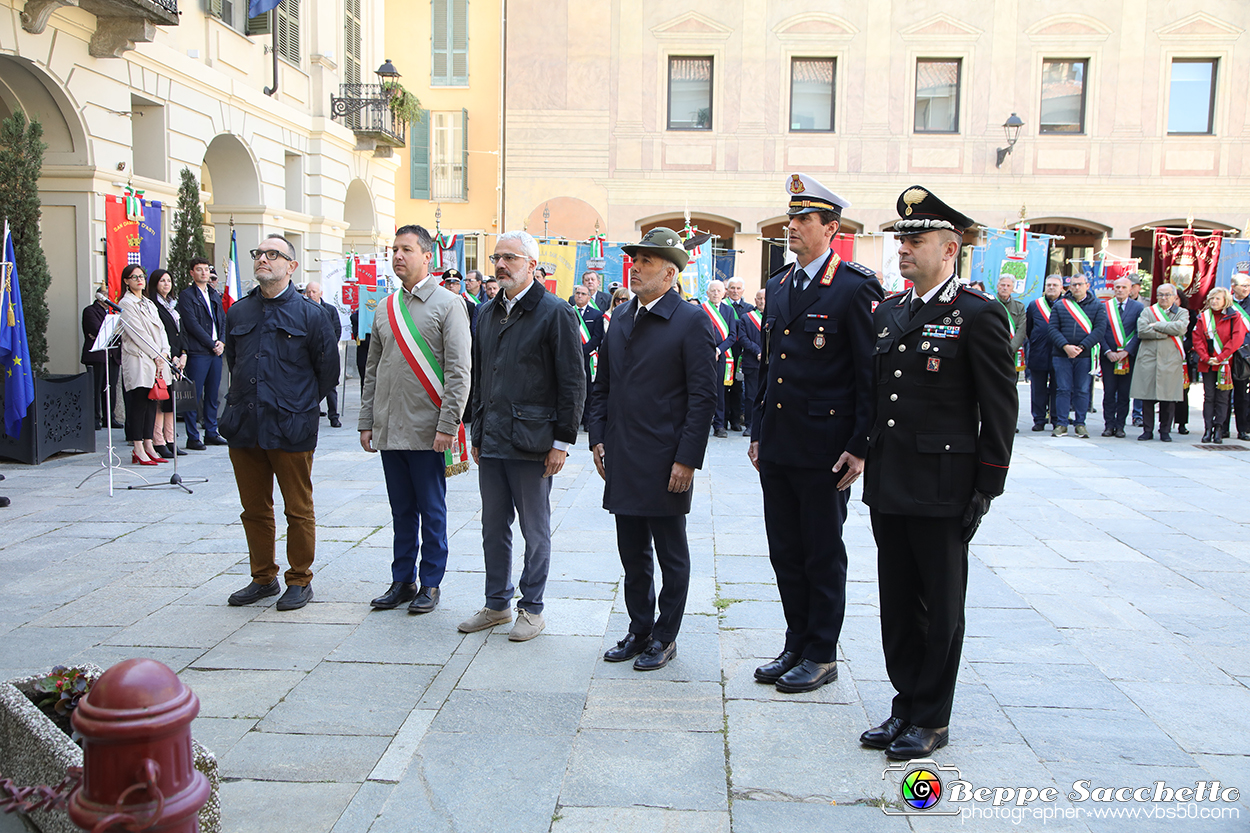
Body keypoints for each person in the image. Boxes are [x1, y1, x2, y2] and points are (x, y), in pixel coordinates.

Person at [861, 186, 1017, 760]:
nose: (902, 247)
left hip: (943, 486)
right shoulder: (891, 311)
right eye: (901, 238)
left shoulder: (977, 314)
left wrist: (986, 485)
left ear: (949, 248)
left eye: (915, 239)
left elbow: (999, 407)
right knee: (898, 603)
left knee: (941, 606)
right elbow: (879, 399)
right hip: (891, 483)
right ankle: (905, 703)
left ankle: (932, 716)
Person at [749, 173, 883, 694]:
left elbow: (869, 373)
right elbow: (768, 367)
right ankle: (796, 640)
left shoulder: (854, 285)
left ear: (832, 227)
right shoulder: (780, 284)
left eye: (805, 220)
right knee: (785, 548)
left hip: (827, 446)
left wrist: (860, 445)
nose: (794, 227)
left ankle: (822, 651)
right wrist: (758, 430)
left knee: (821, 550)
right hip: (781, 441)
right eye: (791, 219)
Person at [589, 227, 717, 671]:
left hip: (666, 460)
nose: (636, 267)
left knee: (670, 553)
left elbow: (704, 398)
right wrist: (598, 437)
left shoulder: (691, 321)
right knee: (632, 553)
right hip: (623, 455)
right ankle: (639, 628)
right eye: (635, 260)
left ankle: (665, 635)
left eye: (645, 261)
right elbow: (602, 385)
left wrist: (687, 459)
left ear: (669, 273)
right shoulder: (621, 317)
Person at [461, 230, 584, 640]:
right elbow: (480, 376)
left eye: (510, 258)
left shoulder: (555, 312)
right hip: (492, 438)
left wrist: (562, 442)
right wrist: (476, 431)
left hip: (533, 443)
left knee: (535, 528)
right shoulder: (485, 312)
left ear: (533, 266)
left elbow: (572, 382)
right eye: (497, 257)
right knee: (492, 526)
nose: (500, 265)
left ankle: (532, 608)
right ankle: (497, 603)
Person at [219, 235, 338, 611]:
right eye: (259, 254)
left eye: (273, 255)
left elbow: (327, 374)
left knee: (297, 509)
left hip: (291, 427)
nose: (262, 260)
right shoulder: (238, 312)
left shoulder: (312, 315)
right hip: (245, 426)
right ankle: (263, 577)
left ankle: (299, 580)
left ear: (292, 266)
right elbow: (234, 362)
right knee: (253, 509)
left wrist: (296, 404)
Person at [361, 225, 472, 615]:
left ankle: (431, 582)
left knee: (432, 510)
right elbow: (372, 369)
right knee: (401, 510)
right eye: (393, 249)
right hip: (390, 430)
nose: (397, 256)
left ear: (428, 256)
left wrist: (447, 425)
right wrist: (366, 420)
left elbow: (460, 371)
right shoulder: (383, 307)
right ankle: (402, 579)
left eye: (406, 249)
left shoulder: (447, 303)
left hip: (429, 431)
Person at [118, 264, 173, 466]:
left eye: (142, 276)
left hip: (157, 360)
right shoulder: (126, 303)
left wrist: (165, 352)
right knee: (139, 403)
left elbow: (161, 331)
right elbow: (138, 334)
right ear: (126, 280)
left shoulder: (149, 303)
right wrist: (156, 355)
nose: (139, 280)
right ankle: (138, 447)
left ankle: (149, 444)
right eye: (134, 277)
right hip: (140, 359)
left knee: (153, 404)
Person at [177, 257, 227, 450]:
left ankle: (212, 432)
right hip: (198, 351)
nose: (204, 273)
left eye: (206, 269)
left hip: (216, 352)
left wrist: (221, 341)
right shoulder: (187, 296)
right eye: (199, 269)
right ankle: (193, 436)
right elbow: (192, 325)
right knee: (193, 395)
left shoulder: (213, 294)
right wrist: (211, 343)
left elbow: (221, 319)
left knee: (213, 394)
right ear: (192, 273)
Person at [1048, 274, 1105, 438]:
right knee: (1062, 389)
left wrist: (1081, 347)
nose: (1076, 288)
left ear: (1087, 285)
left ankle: (1080, 423)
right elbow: (1052, 329)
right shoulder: (1060, 305)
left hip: (1085, 355)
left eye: (1080, 284)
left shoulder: (1097, 306)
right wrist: (1066, 346)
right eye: (1073, 285)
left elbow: (1099, 330)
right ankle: (1061, 423)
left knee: (1082, 390)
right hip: (1062, 354)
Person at [1130, 282, 1188, 442]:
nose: (1164, 298)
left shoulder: (1182, 312)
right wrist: (1164, 332)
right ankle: (1147, 430)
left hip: (1170, 359)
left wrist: (1157, 325)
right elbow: (1142, 330)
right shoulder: (1148, 311)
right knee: (1147, 396)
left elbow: (1180, 328)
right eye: (1161, 294)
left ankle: (1165, 431)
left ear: (1175, 296)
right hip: (1149, 358)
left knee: (1168, 398)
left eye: (1167, 294)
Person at [1194, 287, 1247, 444]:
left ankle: (1219, 429)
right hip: (1208, 363)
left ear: (1226, 301)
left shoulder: (1234, 317)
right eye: (1212, 299)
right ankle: (1207, 429)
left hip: (1225, 364)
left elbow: (1237, 339)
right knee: (1209, 396)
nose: (1214, 301)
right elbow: (1197, 339)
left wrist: (1221, 357)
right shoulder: (1203, 317)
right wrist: (1206, 357)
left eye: (1217, 299)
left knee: (1223, 398)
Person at [146, 269, 188, 456]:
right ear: (155, 283)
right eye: (162, 281)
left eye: (169, 281)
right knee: (160, 400)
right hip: (163, 358)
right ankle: (158, 440)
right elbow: (160, 334)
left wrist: (184, 354)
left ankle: (171, 439)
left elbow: (182, 332)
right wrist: (170, 356)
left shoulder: (174, 305)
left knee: (172, 401)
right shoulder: (153, 306)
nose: (166, 284)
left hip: (178, 358)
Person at [1098, 277, 1145, 438]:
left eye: (1123, 287)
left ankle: (1120, 426)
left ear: (1131, 289)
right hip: (1109, 357)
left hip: (1127, 358)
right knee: (1109, 392)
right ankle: (1109, 425)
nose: (1119, 290)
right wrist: (1107, 351)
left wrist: (1127, 351)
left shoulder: (1138, 307)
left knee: (1124, 393)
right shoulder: (1104, 307)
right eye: (1117, 287)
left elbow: (1140, 332)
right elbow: (1100, 331)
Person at [702, 280, 746, 439]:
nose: (715, 293)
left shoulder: (728, 311)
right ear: (707, 293)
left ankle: (719, 425)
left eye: (718, 291)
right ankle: (701, 423)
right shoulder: (700, 310)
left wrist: (719, 350)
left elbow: (733, 336)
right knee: (702, 390)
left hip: (722, 356)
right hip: (703, 357)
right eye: (712, 291)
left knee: (720, 391)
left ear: (723, 293)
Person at [81, 290, 122, 430]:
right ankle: (94, 419)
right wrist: (111, 332)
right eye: (105, 296)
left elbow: (121, 331)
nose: (108, 298)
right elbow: (97, 330)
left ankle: (110, 418)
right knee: (96, 388)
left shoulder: (114, 312)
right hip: (97, 356)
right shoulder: (90, 311)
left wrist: (112, 332)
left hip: (113, 355)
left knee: (110, 389)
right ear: (99, 297)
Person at [1025, 276, 1062, 430]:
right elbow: (1029, 328)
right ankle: (1039, 419)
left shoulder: (1066, 305)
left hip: (1059, 353)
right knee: (1038, 388)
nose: (1051, 287)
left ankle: (1056, 418)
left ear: (1061, 288)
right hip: (1038, 352)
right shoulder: (1035, 305)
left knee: (1058, 387)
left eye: (1055, 285)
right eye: (1049, 285)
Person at [304, 281, 343, 428]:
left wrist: (328, 349)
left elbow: (336, 331)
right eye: (308, 292)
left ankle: (334, 416)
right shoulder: (303, 309)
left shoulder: (330, 310)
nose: (311, 294)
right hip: (310, 356)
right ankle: (314, 411)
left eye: (314, 291)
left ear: (320, 293)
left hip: (327, 356)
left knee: (331, 386)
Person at [571, 284, 604, 431]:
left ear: (589, 297)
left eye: (583, 294)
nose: (579, 296)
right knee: (572, 388)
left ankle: (588, 420)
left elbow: (597, 337)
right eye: (577, 293)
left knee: (589, 389)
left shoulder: (596, 314)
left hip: (588, 358)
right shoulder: (568, 312)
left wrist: (582, 351)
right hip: (570, 357)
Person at [725, 277, 754, 432]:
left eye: (738, 288)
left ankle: (735, 420)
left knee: (737, 387)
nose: (735, 291)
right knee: (723, 387)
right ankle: (722, 420)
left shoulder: (749, 308)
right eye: (732, 288)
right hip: (725, 351)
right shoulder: (721, 306)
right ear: (727, 290)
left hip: (741, 353)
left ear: (743, 290)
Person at [1225, 275, 1250, 440]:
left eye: (1248, 285)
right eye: (1243, 285)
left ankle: (1243, 429)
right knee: (1223, 392)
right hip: (1227, 352)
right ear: (1233, 286)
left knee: (1242, 394)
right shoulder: (1225, 302)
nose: (1246, 288)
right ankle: (1222, 427)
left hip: (1246, 354)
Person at [739, 288, 765, 438]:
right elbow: (743, 338)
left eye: (765, 299)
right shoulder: (747, 318)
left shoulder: (776, 316)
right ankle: (750, 425)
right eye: (759, 299)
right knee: (751, 396)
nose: (762, 302)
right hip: (752, 362)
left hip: (770, 362)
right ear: (755, 301)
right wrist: (757, 351)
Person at [995, 275, 1027, 380]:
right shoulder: (989, 303)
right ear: (997, 286)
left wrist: (1010, 349)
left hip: (1012, 353)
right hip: (994, 351)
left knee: (1011, 384)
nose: (1005, 288)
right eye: (1002, 285)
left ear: (1012, 288)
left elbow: (1021, 330)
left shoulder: (1019, 307)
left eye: (1008, 285)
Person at [1129, 274, 1146, 426]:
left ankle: (1138, 413)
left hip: (1140, 349)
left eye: (1134, 286)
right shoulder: (1115, 305)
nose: (1131, 289)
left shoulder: (1147, 304)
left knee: (1139, 383)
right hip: (1120, 350)